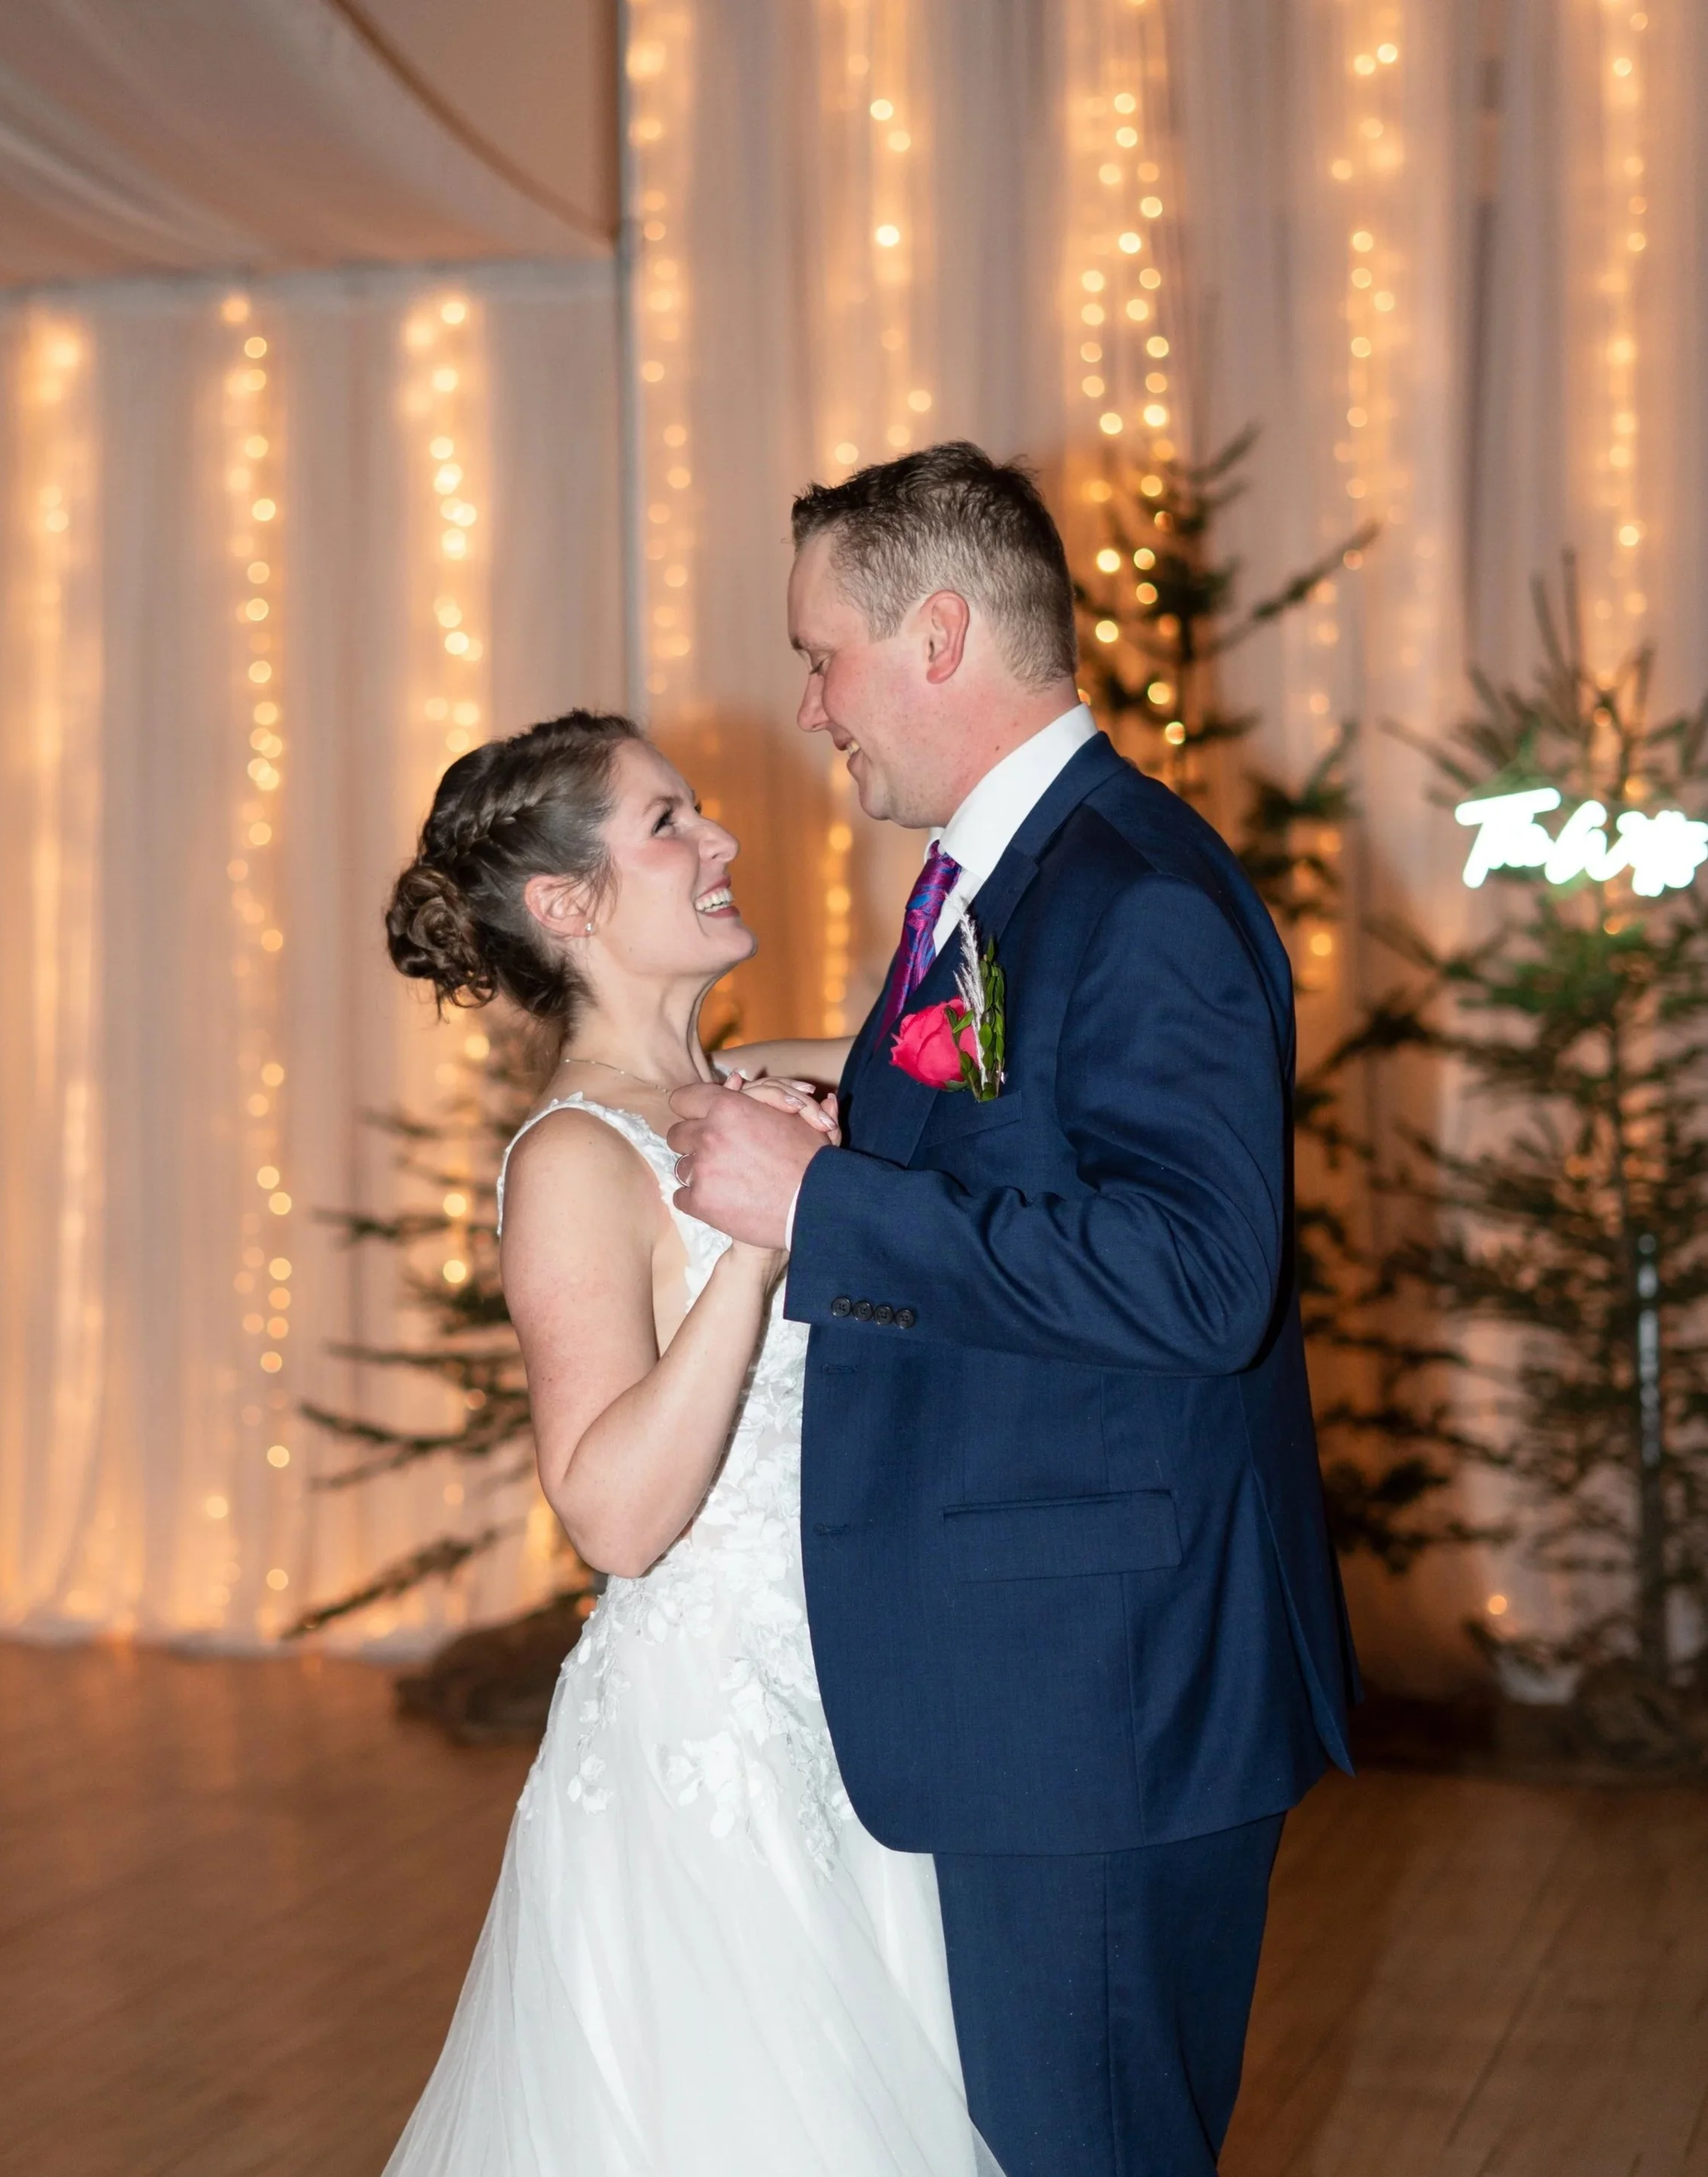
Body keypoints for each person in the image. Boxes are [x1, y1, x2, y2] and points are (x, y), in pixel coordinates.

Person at [667, 441, 1359, 2176]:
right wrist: (845, 1128)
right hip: (1044, 1678)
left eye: (820, 654)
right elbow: (1024, 1154)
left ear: (937, 635)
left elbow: (1198, 1275)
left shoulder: (1132, 893)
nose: (811, 706)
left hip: (1097, 1695)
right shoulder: (1010, 874)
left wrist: (817, 1202)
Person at [377, 708, 1003, 2175]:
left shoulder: (767, 1079)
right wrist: (758, 1245)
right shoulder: (572, 1157)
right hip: (715, 1744)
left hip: (873, 1699)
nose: (718, 838)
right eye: (667, 822)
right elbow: (613, 1517)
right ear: (565, 904)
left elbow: (990, 1065)